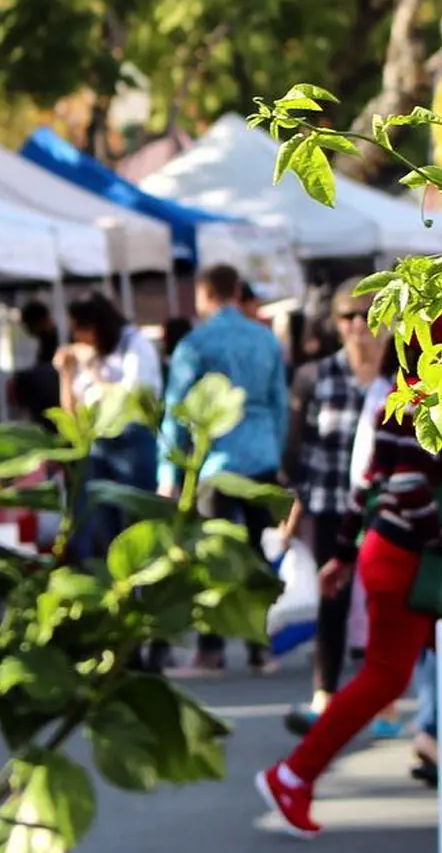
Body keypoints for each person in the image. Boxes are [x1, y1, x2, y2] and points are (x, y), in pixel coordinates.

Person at [257, 316, 442, 839]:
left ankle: (298, 774)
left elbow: (368, 482)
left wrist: (344, 555)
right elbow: (407, 486)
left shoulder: (396, 397)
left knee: (435, 668)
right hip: (408, 559)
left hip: (388, 554)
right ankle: (295, 773)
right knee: (388, 678)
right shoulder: (422, 403)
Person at [159, 264, 289, 676]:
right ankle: (259, 645)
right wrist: (277, 452)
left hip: (213, 459)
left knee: (211, 554)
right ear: (236, 290)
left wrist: (168, 469)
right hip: (262, 454)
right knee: (257, 552)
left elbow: (176, 410)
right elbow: (280, 404)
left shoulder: (195, 343)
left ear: (204, 294)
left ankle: (211, 649)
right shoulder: (265, 339)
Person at [280, 277, 384, 735]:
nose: (358, 326)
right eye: (348, 317)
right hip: (329, 503)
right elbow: (297, 450)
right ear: (336, 324)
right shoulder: (315, 376)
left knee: (384, 601)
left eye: (367, 316)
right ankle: (325, 690)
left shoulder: (397, 374)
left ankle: (381, 698)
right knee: (332, 598)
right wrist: (292, 509)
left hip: (385, 508)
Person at [57, 293, 164, 563]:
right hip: (98, 445)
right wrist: (66, 373)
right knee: (103, 524)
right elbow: (71, 413)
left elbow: (131, 397)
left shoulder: (133, 345)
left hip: (132, 442)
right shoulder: (87, 355)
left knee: (137, 521)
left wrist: (93, 368)